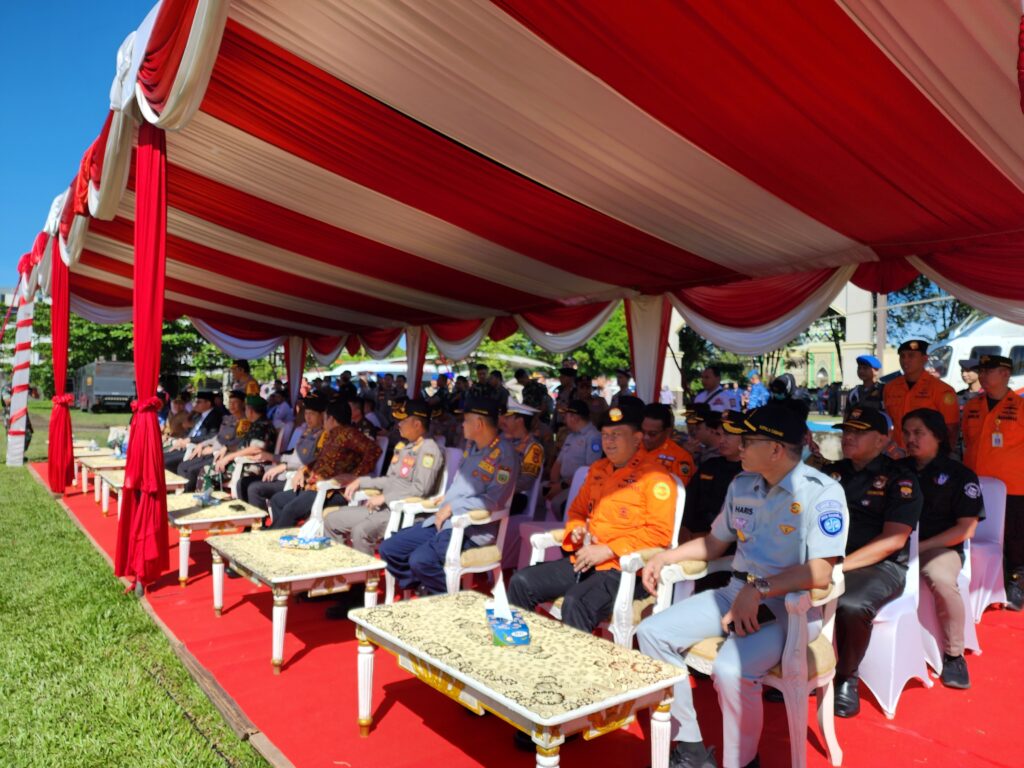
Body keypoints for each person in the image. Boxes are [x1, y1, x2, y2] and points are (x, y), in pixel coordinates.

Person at [636, 405, 848, 768]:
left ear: (776, 449)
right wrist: (665, 557)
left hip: (791, 607)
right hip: (735, 593)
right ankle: (690, 746)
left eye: (748, 441)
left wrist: (761, 588)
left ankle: (743, 761)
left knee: (731, 669)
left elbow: (820, 572)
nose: (739, 446)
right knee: (652, 633)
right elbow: (713, 544)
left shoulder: (822, 493)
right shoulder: (742, 485)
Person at [509, 399, 677, 632]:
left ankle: (576, 657)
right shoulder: (598, 470)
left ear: (637, 438)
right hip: (586, 560)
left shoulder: (655, 478)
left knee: (576, 602)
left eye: (616, 435)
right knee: (521, 582)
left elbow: (659, 535)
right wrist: (576, 530)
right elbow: (577, 511)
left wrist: (609, 550)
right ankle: (519, 645)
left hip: (625, 569)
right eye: (605, 435)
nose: (609, 441)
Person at [824, 406, 922, 717]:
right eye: (846, 431)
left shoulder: (900, 479)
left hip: (881, 566)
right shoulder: (830, 473)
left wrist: (838, 568)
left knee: (851, 605)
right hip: (830, 557)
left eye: (858, 432)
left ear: (881, 440)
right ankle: (796, 666)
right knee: (785, 586)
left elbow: (893, 540)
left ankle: (846, 676)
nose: (848, 437)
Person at [378, 397, 518, 595]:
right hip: (442, 522)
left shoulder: (504, 454)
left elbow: (493, 501)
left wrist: (453, 506)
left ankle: (449, 600)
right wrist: (446, 499)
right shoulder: (472, 447)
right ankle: (428, 586)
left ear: (479, 424)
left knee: (420, 559)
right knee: (390, 548)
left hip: (470, 530)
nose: (462, 425)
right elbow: (461, 487)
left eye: (466, 420)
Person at [900, 408, 983, 687]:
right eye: (906, 433)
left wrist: (921, 546)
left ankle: (954, 654)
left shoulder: (960, 475)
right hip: (895, 544)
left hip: (939, 548)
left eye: (918, 433)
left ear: (937, 435)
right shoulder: (897, 469)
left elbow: (966, 529)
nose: (910, 439)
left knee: (942, 579)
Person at [324, 399, 443, 561]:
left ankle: (366, 574)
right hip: (383, 509)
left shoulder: (429, 449)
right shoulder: (406, 447)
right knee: (332, 520)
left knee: (360, 531)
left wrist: (385, 497)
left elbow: (421, 489)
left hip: (403, 511)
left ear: (416, 424)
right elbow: (389, 480)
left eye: (403, 420)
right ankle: (341, 566)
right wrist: (361, 482)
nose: (398, 424)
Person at [961, 354, 1024, 610]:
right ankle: (983, 584)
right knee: (977, 535)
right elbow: (968, 440)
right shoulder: (972, 406)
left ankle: (1016, 582)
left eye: (989, 371)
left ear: (1005, 374)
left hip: (1013, 485)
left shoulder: (1020, 406)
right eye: (982, 371)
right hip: (976, 484)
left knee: (1014, 537)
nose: (983, 375)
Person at [266, 398, 382, 530]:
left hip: (331, 491)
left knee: (289, 510)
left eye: (325, 418)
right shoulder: (330, 435)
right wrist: (303, 470)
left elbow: (374, 450)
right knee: (277, 500)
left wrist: (356, 476)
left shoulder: (350, 434)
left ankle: (275, 537)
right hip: (313, 487)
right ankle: (282, 534)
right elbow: (319, 461)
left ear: (331, 419)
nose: (323, 422)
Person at [244, 394, 326, 510]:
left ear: (322, 415)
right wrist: (271, 456)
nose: (308, 417)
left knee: (254, 488)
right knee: (244, 482)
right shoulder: (307, 432)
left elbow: (310, 462)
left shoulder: (323, 436)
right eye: (306, 413)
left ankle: (259, 519)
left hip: (296, 478)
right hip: (284, 473)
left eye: (312, 414)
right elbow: (292, 456)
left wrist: (284, 466)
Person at [882, 340, 959, 450]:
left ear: (925, 359)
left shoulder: (941, 390)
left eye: (911, 356)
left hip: (927, 455)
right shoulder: (890, 388)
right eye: (902, 356)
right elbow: (888, 423)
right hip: (897, 454)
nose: (905, 360)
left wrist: (943, 456)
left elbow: (951, 428)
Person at [679, 410, 743, 543]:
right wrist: (684, 528)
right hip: (693, 536)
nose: (722, 440)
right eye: (719, 434)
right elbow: (689, 501)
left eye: (728, 435)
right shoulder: (710, 465)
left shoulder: (750, 474)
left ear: (745, 439)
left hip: (727, 542)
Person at [200, 396, 278, 493]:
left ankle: (205, 499)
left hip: (253, 464)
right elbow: (244, 445)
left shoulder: (262, 426)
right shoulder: (257, 424)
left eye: (246, 409)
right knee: (212, 467)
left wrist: (229, 457)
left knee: (206, 471)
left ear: (250, 411)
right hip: (243, 461)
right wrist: (227, 448)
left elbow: (256, 449)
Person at [176, 390, 248, 491]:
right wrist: (202, 444)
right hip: (211, 452)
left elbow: (237, 442)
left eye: (235, 402)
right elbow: (218, 437)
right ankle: (184, 493)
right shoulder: (228, 418)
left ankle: (189, 495)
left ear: (243, 404)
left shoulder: (245, 422)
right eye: (230, 402)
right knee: (183, 466)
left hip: (222, 455)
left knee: (192, 470)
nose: (232, 405)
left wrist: (214, 449)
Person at [545, 400, 602, 513]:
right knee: (539, 493)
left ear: (574, 417)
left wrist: (561, 486)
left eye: (566, 415)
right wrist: (553, 483)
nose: (563, 419)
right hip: (562, 483)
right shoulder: (570, 436)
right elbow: (558, 462)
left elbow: (589, 470)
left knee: (557, 504)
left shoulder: (594, 437)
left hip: (579, 486)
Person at [499, 400, 545, 516]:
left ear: (519, 421)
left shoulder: (533, 447)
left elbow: (525, 482)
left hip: (515, 496)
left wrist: (499, 488)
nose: (504, 421)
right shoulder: (503, 440)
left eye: (508, 418)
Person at [163, 391, 222, 471]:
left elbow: (211, 436)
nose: (195, 404)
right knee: (161, 457)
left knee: (165, 461)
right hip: (186, 444)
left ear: (208, 403)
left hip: (196, 447)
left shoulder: (215, 417)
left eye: (198, 402)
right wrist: (192, 412)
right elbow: (186, 426)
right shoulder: (198, 415)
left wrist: (190, 440)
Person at [642, 403, 696, 486]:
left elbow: (679, 488)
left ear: (667, 432)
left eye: (652, 434)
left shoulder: (681, 457)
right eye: (642, 431)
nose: (646, 437)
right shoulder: (631, 448)